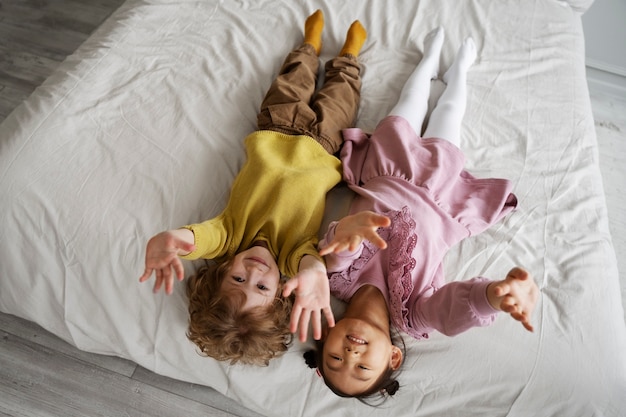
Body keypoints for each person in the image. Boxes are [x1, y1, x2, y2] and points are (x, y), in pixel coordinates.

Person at [304, 28, 539, 399]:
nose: (350, 354)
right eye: (363, 367)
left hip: (386, 169)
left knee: (410, 100)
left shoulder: (336, 283)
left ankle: (429, 60)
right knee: (449, 113)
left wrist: (348, 231)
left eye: (334, 358)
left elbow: (335, 251)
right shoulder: (412, 314)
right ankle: (460, 69)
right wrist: (491, 296)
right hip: (438, 192)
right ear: (394, 356)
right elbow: (449, 310)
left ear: (326, 336)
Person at [138, 10, 368, 366]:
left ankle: (309, 45)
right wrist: (314, 273)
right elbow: (308, 262)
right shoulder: (292, 253)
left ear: (223, 268)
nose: (256, 271)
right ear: (279, 294)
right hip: (324, 144)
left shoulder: (229, 237)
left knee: (294, 78)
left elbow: (200, 238)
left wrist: (172, 240)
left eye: (238, 278)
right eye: (261, 287)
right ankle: (349, 57)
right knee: (342, 95)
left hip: (275, 127)